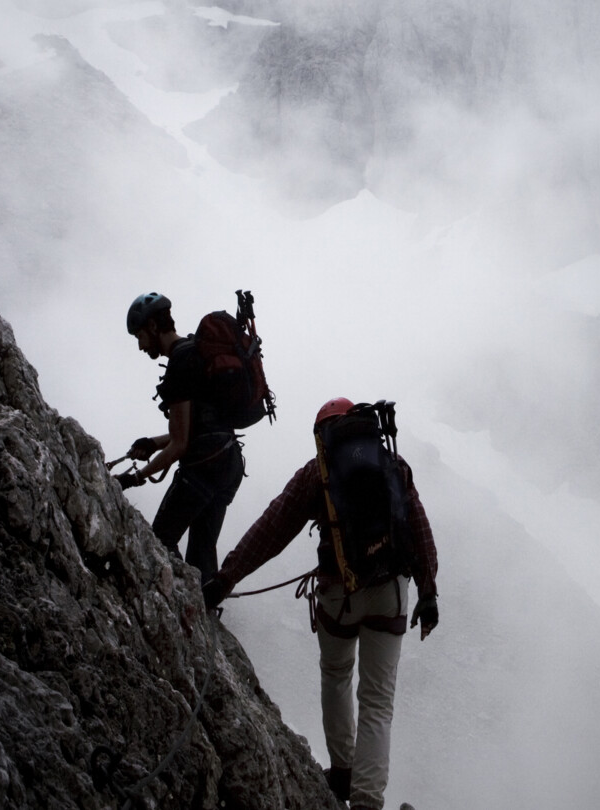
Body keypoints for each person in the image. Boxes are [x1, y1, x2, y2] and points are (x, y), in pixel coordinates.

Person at [203, 398, 440, 810]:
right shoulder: (391, 464)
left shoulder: (318, 472)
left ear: (322, 436)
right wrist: (429, 591)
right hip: (391, 594)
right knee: (378, 701)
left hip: (338, 594)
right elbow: (418, 526)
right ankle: (367, 801)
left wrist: (226, 578)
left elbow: (272, 528)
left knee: (335, 675)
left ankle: (343, 770)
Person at [124, 292, 245, 581]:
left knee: (160, 541)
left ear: (153, 328)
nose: (140, 346)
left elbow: (181, 444)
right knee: (202, 554)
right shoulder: (195, 351)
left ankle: (184, 613)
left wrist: (135, 478)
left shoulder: (180, 362)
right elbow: (195, 427)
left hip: (203, 468)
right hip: (229, 463)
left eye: (139, 336)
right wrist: (152, 444)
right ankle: (205, 612)